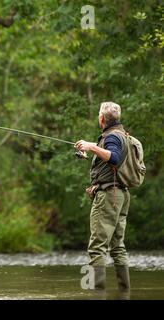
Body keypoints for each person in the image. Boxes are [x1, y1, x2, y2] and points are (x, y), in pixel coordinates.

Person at [75, 101, 130, 291]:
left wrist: (91, 146)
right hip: (120, 195)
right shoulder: (123, 135)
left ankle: (96, 293)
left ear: (101, 119)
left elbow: (113, 157)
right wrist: (89, 151)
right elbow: (110, 161)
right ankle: (125, 291)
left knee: (97, 247)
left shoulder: (112, 137)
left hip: (109, 196)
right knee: (117, 246)